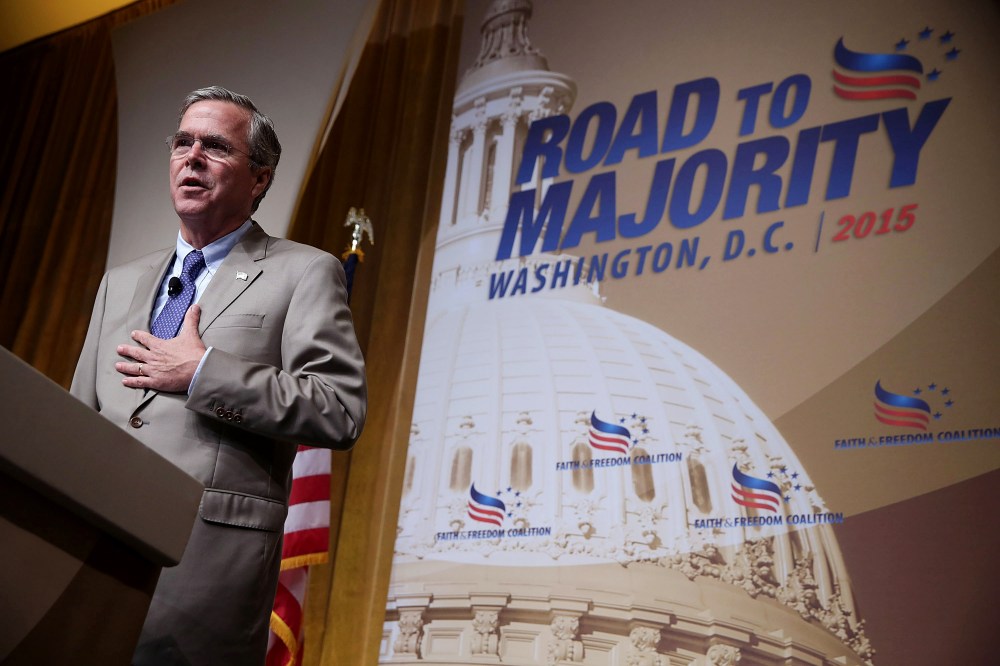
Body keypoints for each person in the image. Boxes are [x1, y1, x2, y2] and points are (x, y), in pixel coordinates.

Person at [70, 86, 367, 665]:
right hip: (92, 548)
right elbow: (82, 414)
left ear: (259, 179)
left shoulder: (304, 271)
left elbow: (339, 408)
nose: (192, 157)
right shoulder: (121, 281)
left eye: (215, 147)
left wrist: (203, 372)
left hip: (205, 562)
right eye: (183, 143)